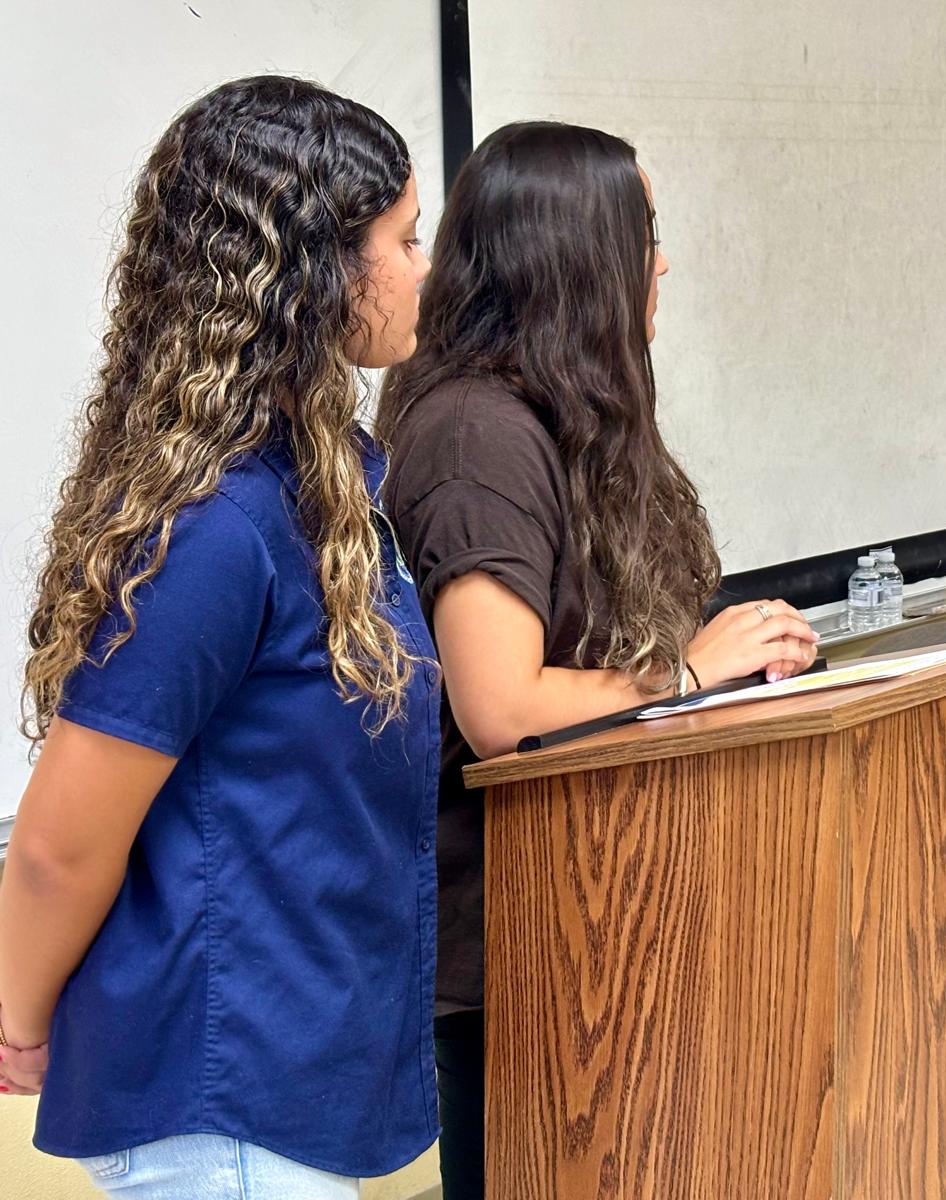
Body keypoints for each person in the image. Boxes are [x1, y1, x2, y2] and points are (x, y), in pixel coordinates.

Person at [0, 76, 439, 1198]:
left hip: (281, 1086)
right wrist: (15, 1019)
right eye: (406, 238)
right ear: (321, 269)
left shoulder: (319, 489)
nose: (425, 269)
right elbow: (60, 841)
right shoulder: (220, 529)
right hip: (219, 1097)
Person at [377, 121, 819, 1199]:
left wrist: (745, 666)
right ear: (575, 252)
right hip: (519, 954)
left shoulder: (561, 413)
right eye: (645, 228)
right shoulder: (478, 433)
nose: (660, 258)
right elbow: (500, 704)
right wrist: (687, 673)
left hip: (604, 913)